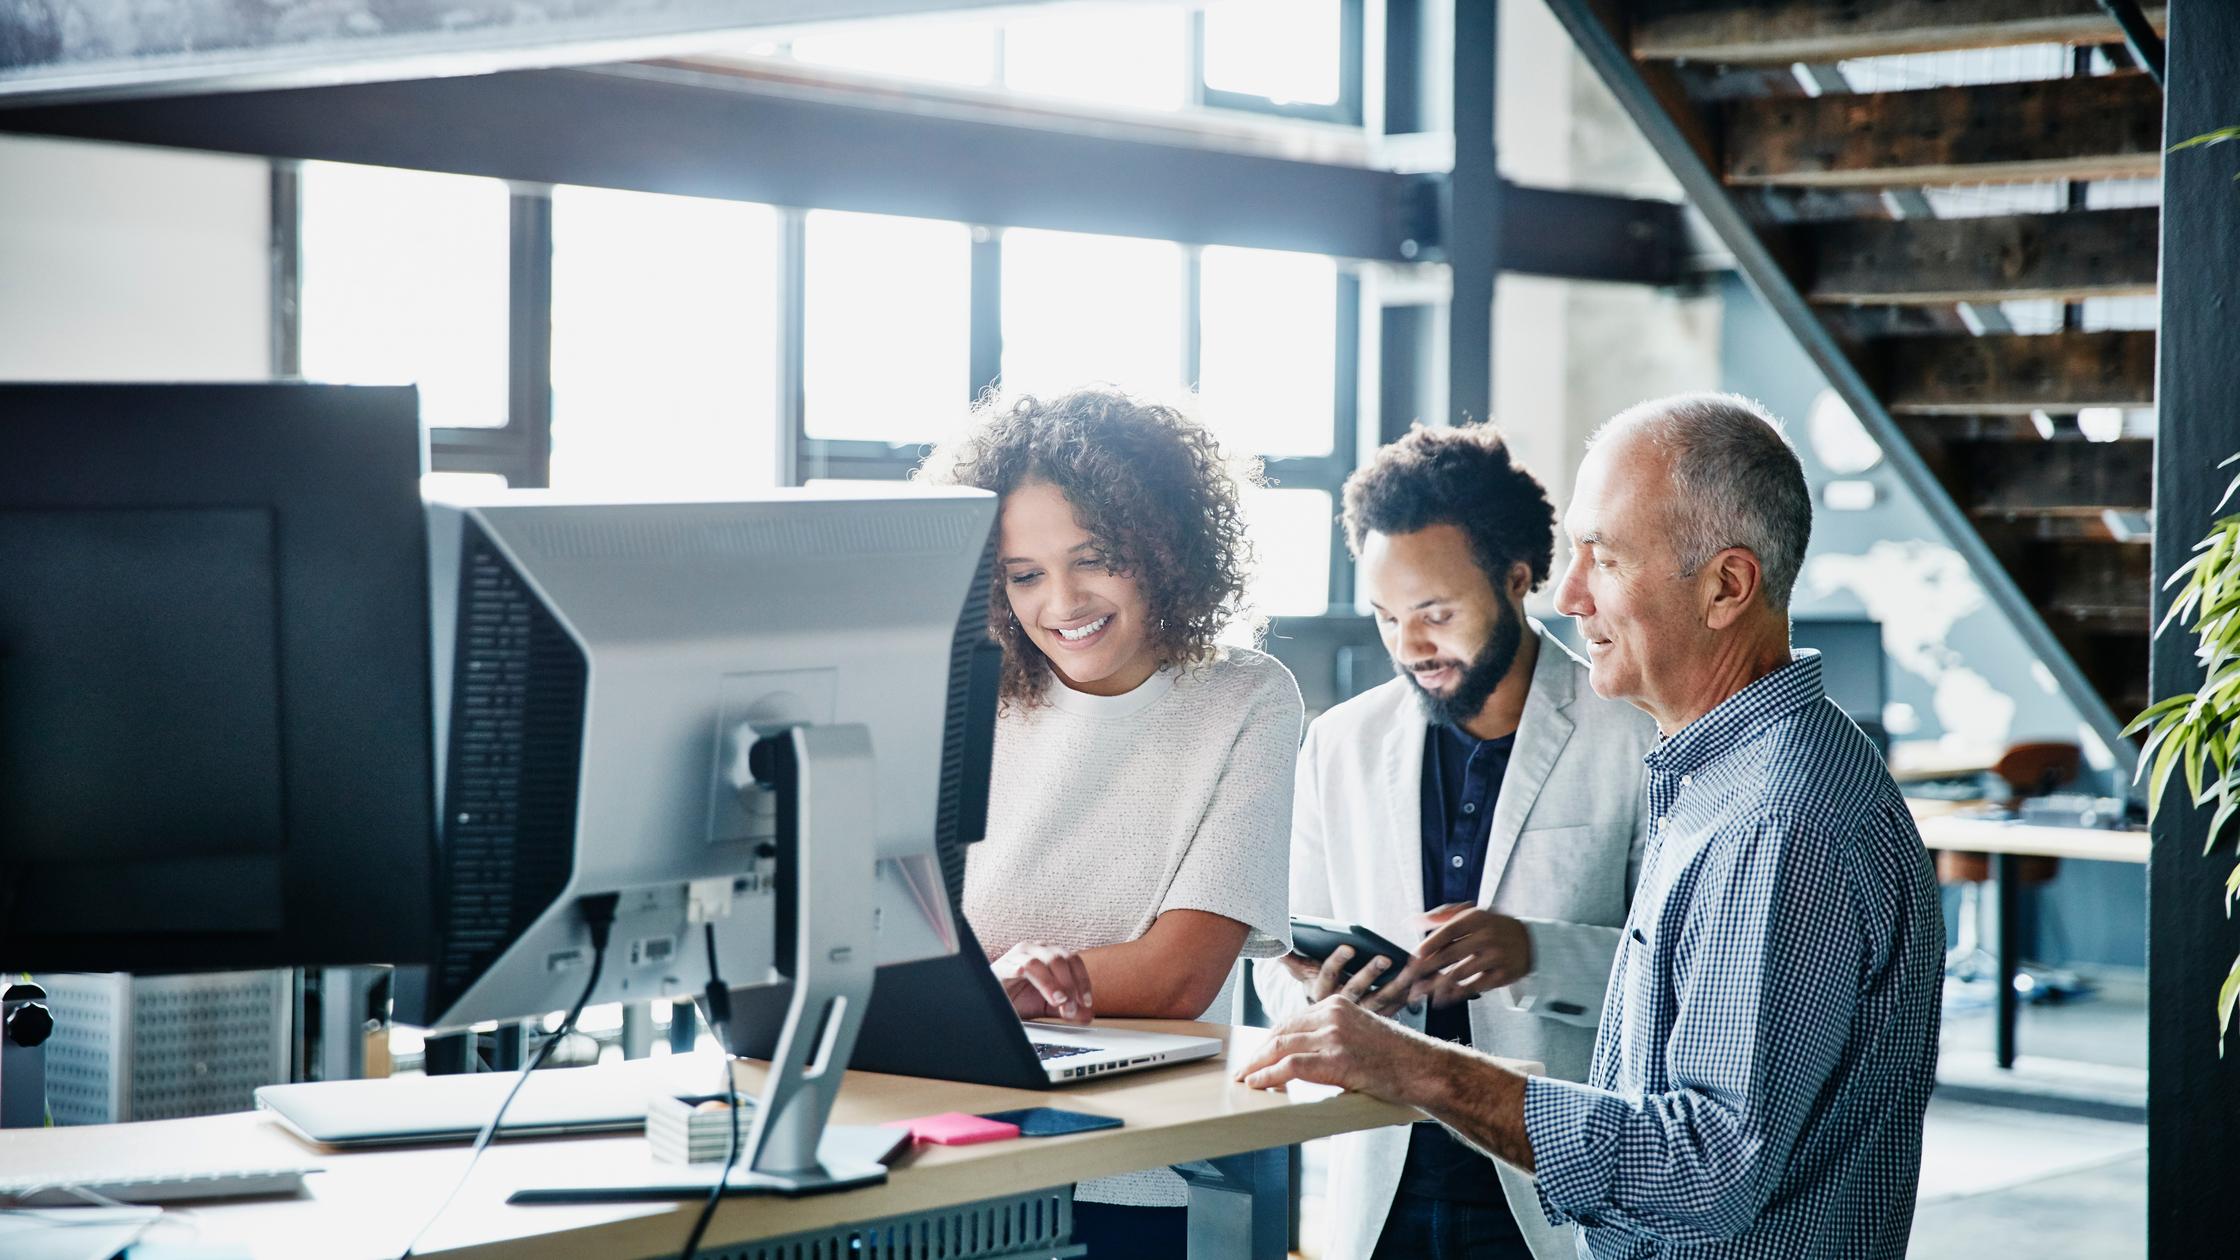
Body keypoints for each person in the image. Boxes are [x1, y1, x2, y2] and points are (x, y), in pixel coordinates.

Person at [1239, 393, 1943, 1260]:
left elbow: (1706, 1167)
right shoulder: (1724, 779)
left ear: (1727, 586)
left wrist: (1415, 1064)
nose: (1567, 593)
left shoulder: (1776, 819)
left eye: (1602, 558)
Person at [1253, 424, 1657, 1260]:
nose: (1408, 646)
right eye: (1387, 616)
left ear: (1516, 580)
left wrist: (1536, 954)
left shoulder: (1633, 733)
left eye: (1435, 614)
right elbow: (1276, 960)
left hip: (1555, 1186)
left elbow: (1684, 972)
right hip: (1382, 1179)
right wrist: (1329, 996)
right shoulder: (1340, 743)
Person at [917, 386, 1302, 1259]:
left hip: (1145, 1170)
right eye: (1024, 574)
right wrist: (1000, 983)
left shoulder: (1245, 698)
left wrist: (990, 983)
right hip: (951, 1142)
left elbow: (1176, 978)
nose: (1062, 601)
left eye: (1096, 558)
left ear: (1166, 548)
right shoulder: (957, 690)